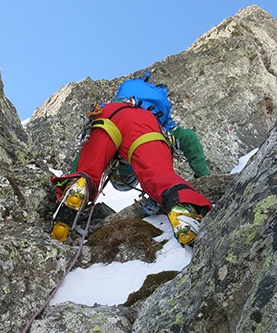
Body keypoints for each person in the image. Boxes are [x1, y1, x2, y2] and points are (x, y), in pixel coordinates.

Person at [50, 76, 212, 245]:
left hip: (106, 114)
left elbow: (83, 157)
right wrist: (203, 176)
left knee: (88, 170)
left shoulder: (115, 108)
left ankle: (79, 186)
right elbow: (189, 138)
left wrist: (80, 175)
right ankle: (182, 208)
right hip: (142, 121)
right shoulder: (158, 120)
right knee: (159, 176)